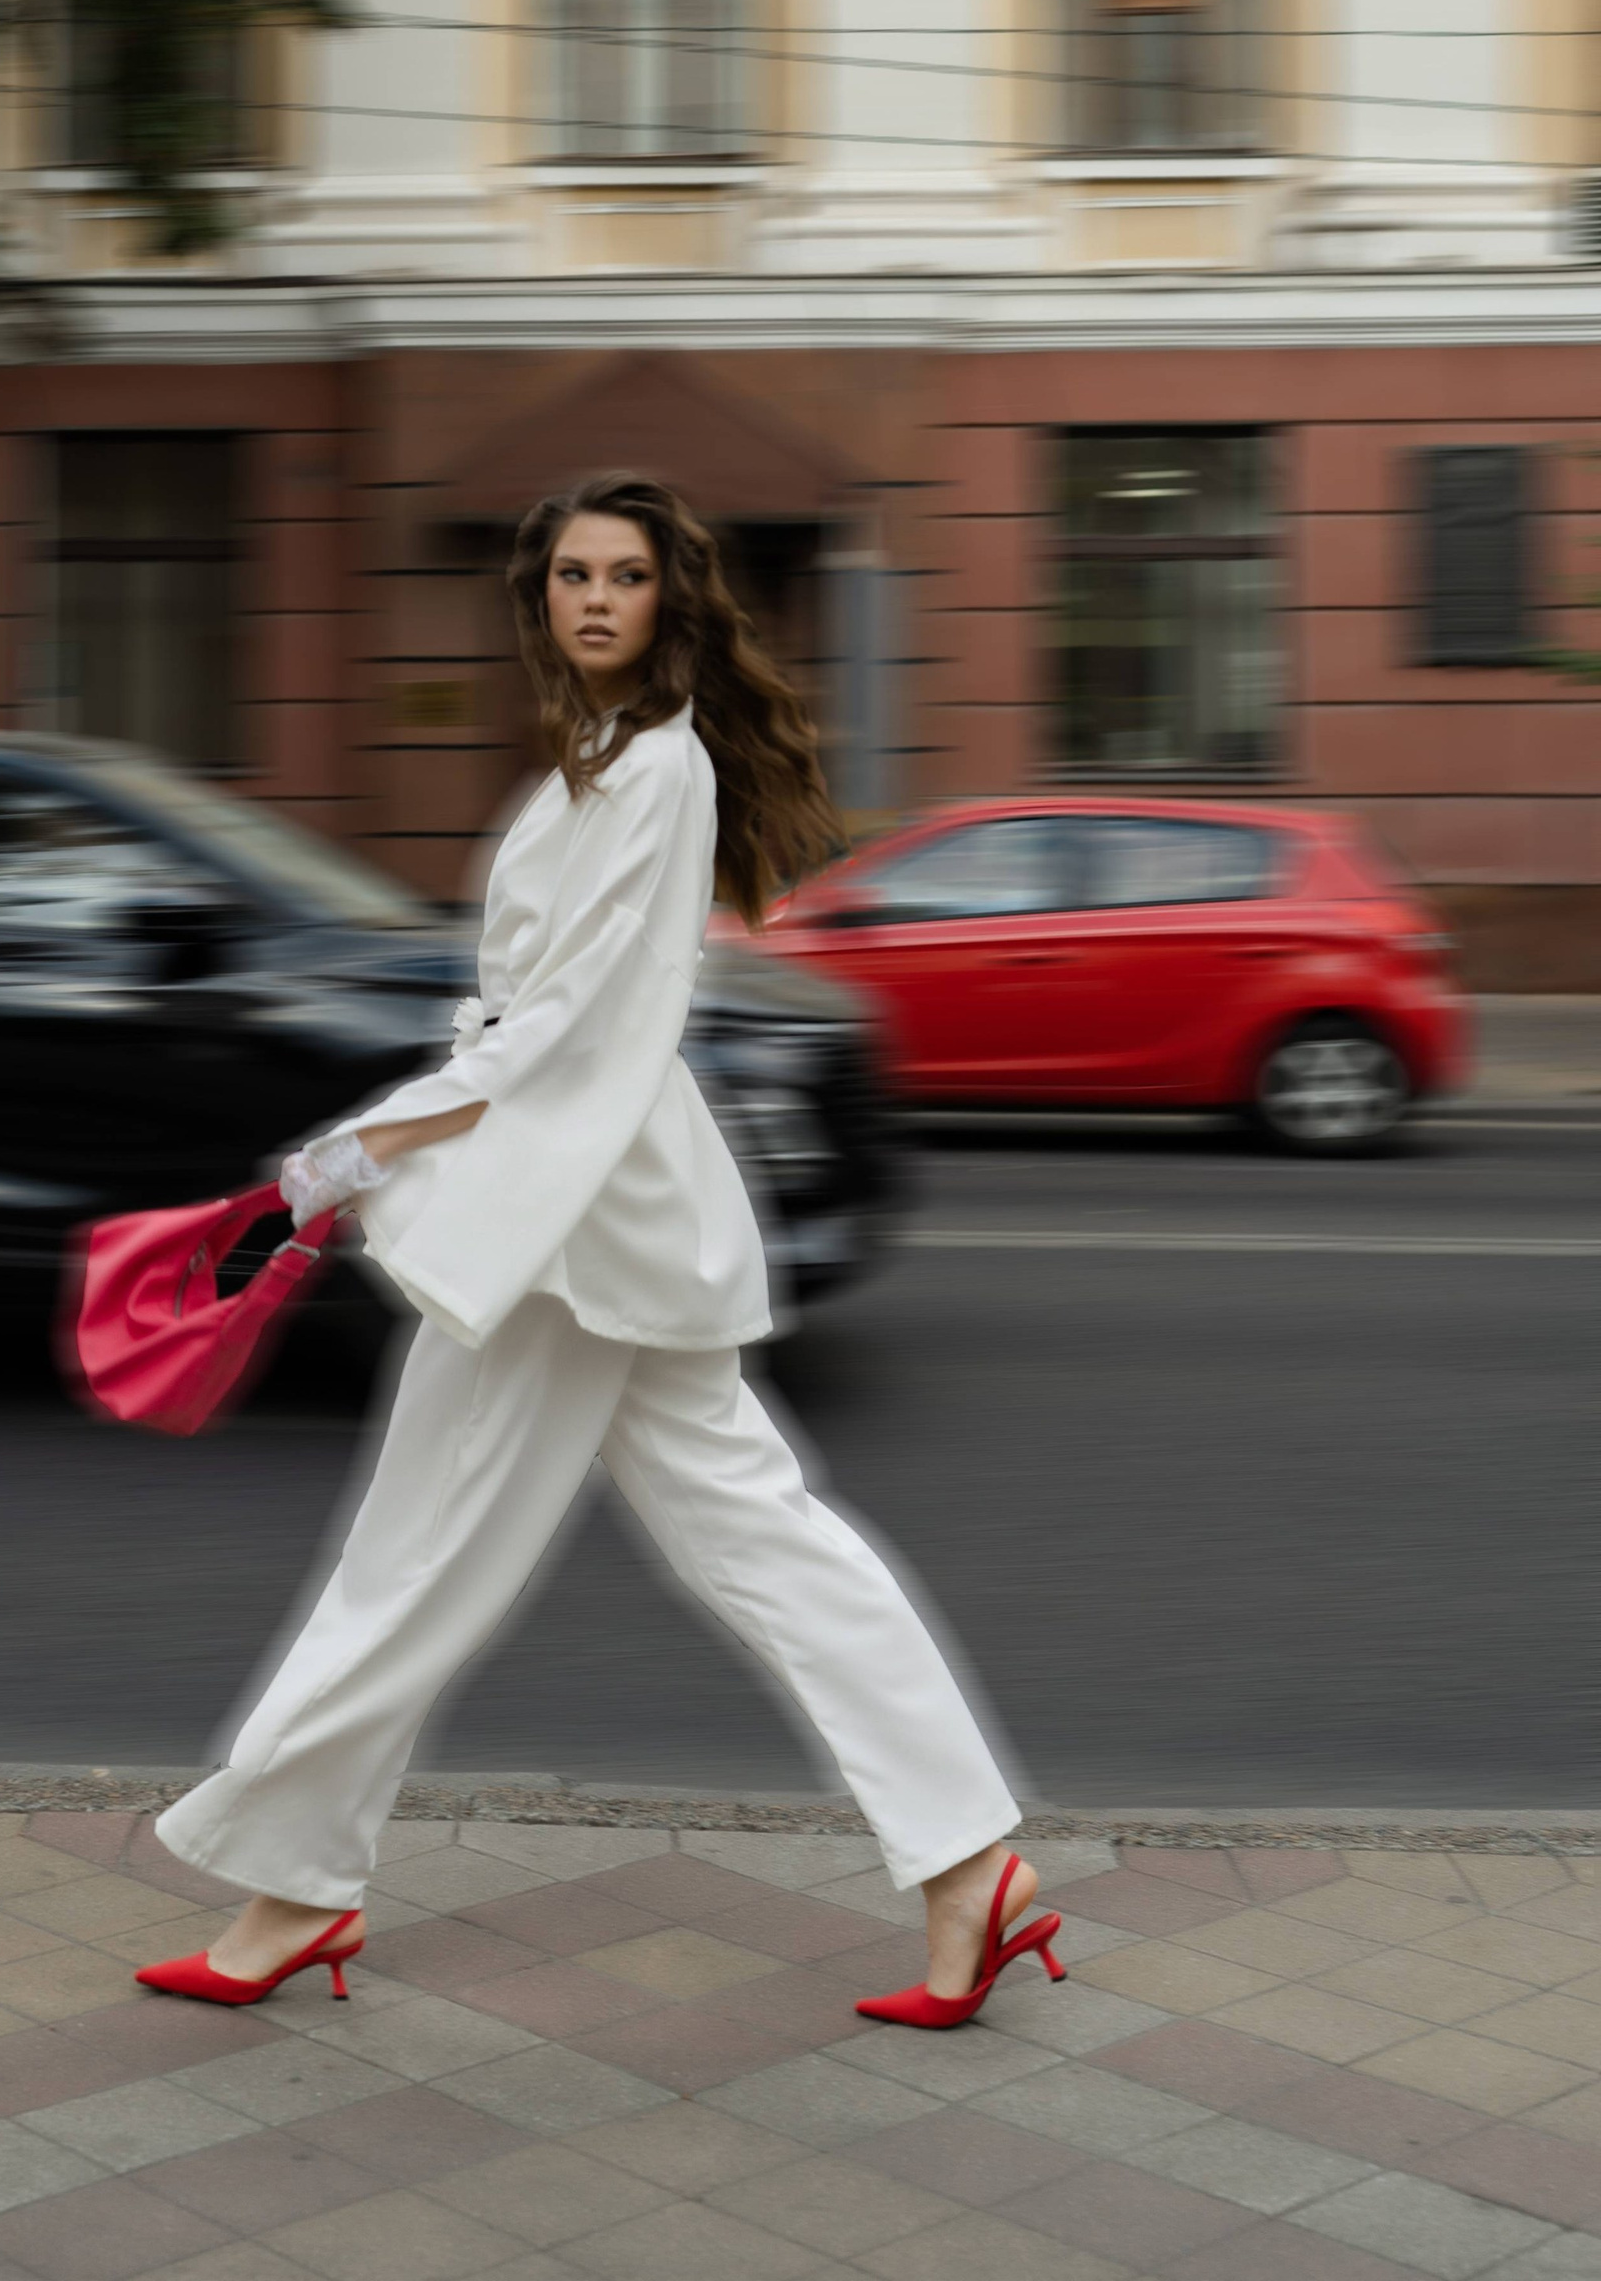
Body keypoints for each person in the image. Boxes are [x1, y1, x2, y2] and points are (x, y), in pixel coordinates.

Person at [137, 471, 1058, 2030]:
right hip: (599, 1210)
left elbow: (570, 1027)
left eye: (625, 575)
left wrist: (368, 1146)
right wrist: (402, 1137)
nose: (595, 598)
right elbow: (542, 1020)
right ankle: (974, 1870)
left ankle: (293, 1892)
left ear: (669, 598)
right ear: (542, 597)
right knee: (762, 1541)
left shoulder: (653, 774)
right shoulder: (598, 758)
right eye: (572, 574)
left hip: (570, 1220)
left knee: (419, 1557)